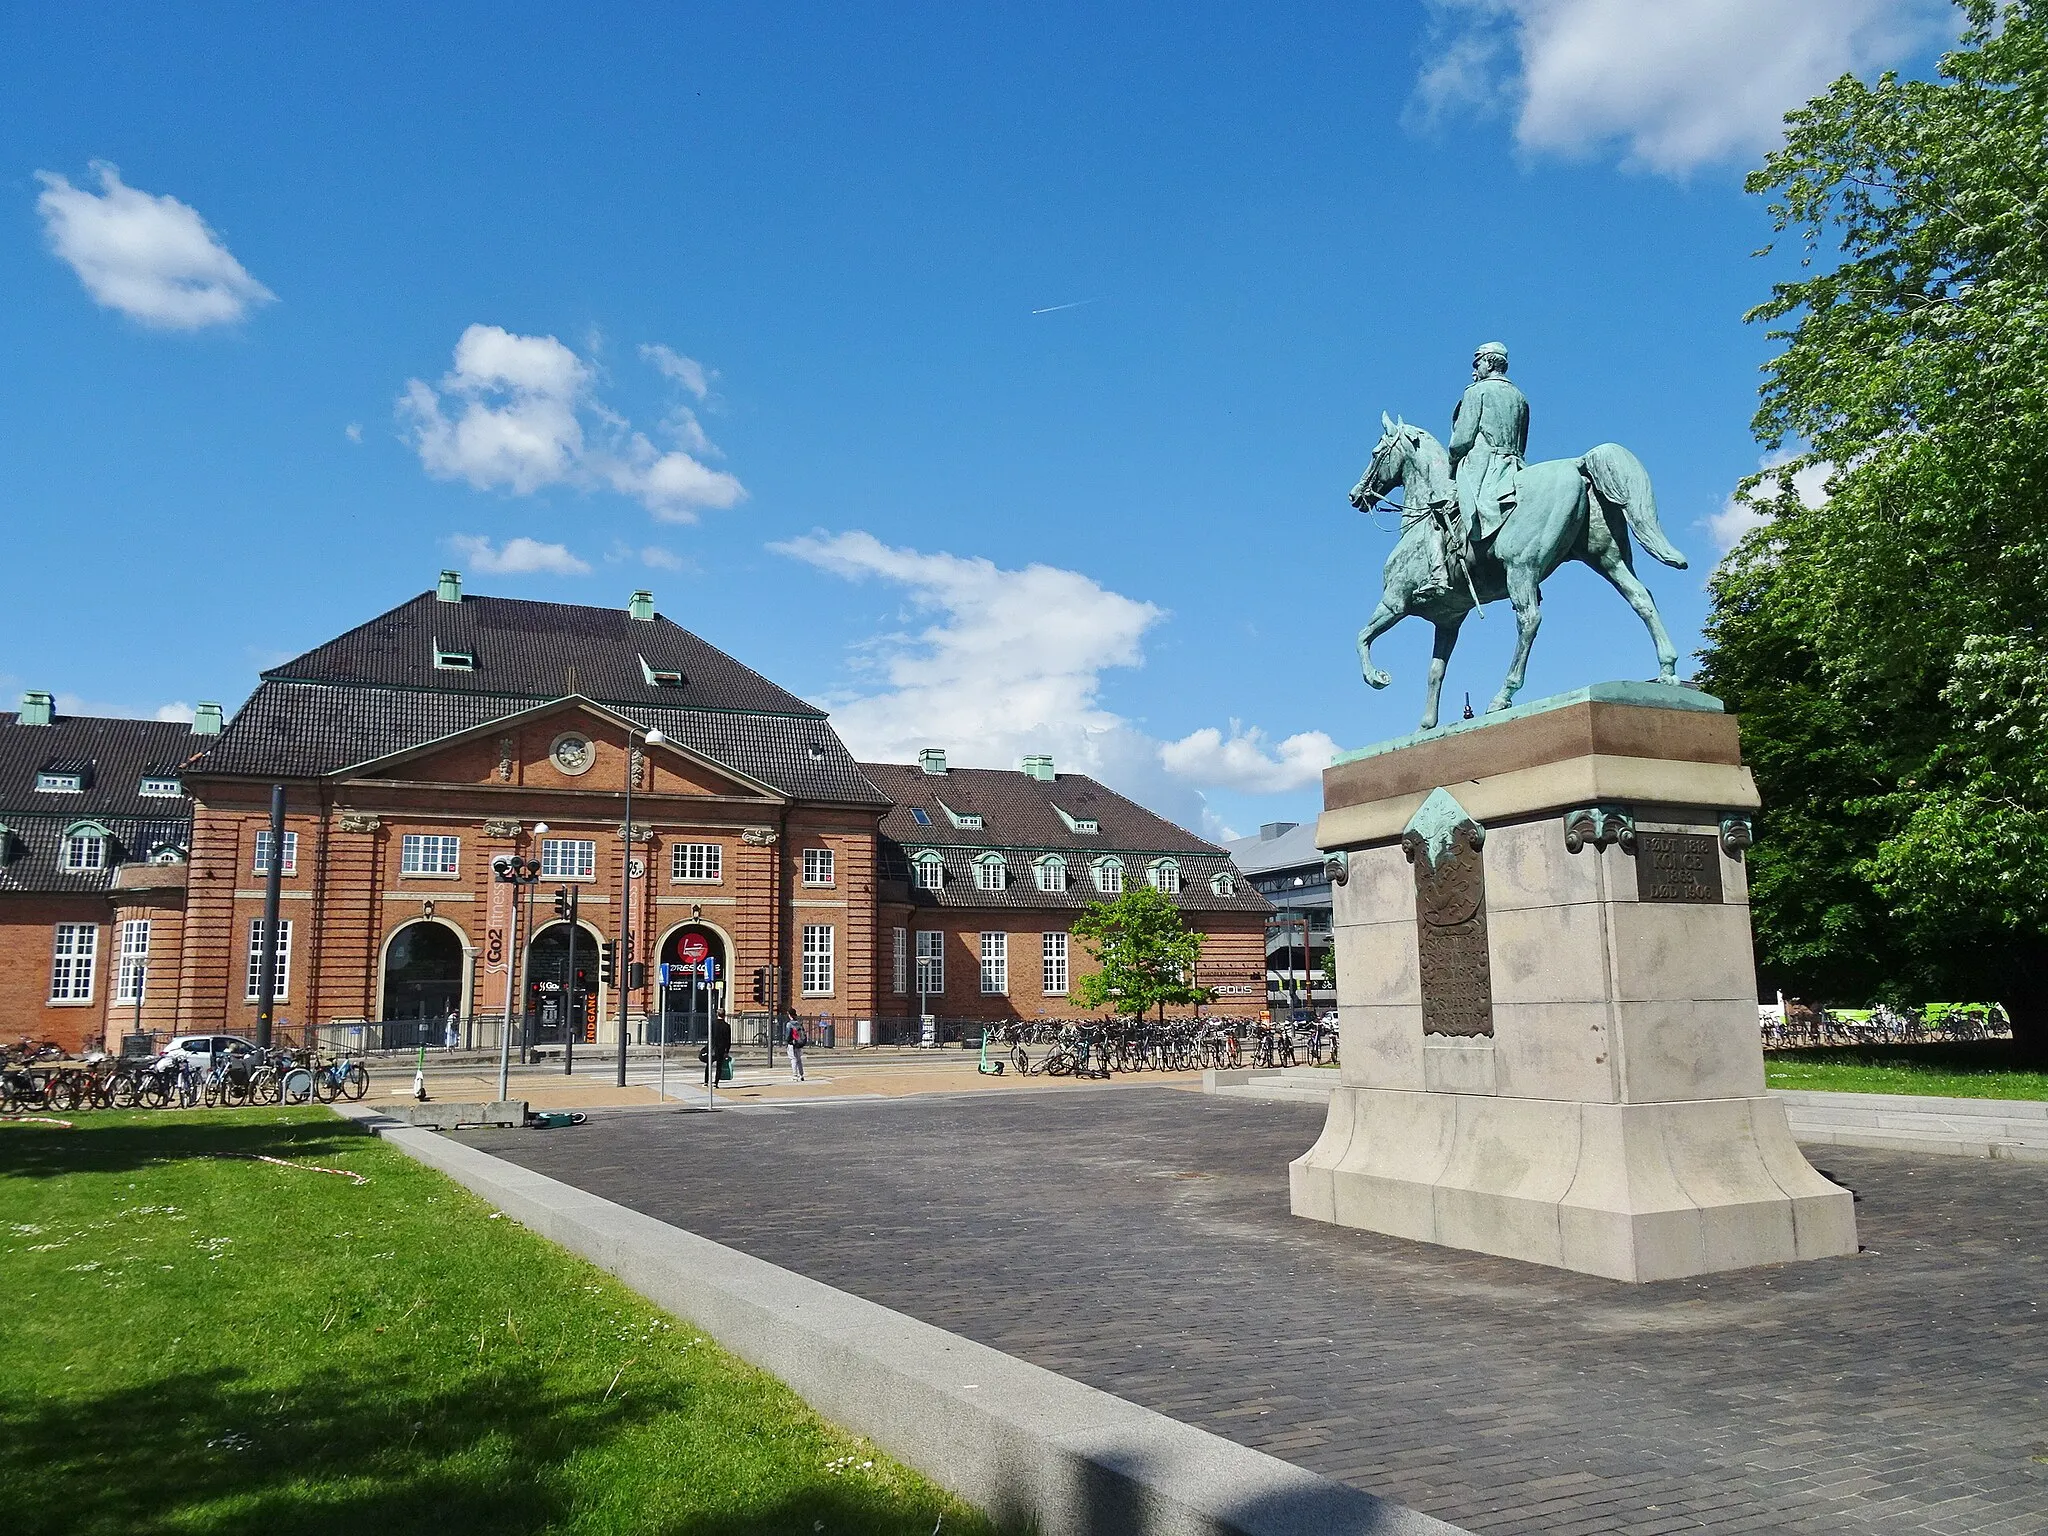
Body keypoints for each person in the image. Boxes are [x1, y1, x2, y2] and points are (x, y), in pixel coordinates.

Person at [1447, 340, 1529, 553]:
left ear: (1489, 364)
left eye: (1477, 364)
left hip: (1483, 469)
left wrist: (1452, 464)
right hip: (1516, 467)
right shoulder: (1520, 398)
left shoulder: (1477, 392)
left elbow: (1461, 441)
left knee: (1444, 509)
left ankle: (1441, 568)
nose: (1475, 369)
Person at [785, 1013, 806, 1082]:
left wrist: (787, 1042)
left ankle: (795, 1076)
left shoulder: (789, 1024)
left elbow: (788, 1035)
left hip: (792, 1043)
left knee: (793, 1059)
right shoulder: (799, 1023)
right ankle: (801, 1075)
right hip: (799, 1043)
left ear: (790, 1015)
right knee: (799, 1059)